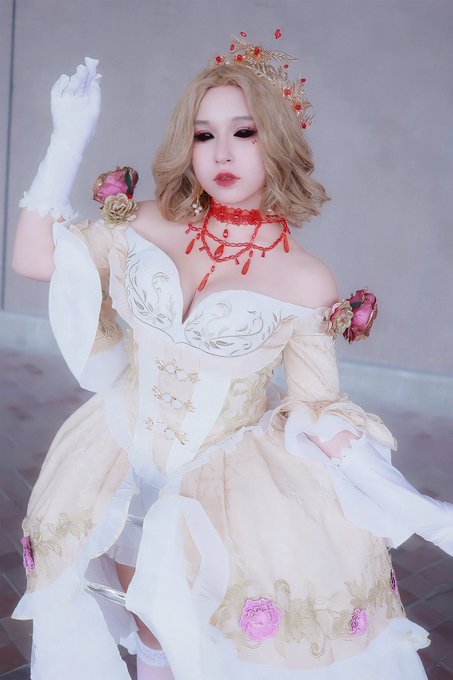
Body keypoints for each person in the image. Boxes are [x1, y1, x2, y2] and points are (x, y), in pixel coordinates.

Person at [11, 34, 453, 680]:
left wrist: (417, 507)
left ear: (277, 141)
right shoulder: (144, 223)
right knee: (148, 639)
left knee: (195, 646)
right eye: (204, 134)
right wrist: (67, 138)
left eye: (243, 132)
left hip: (218, 496)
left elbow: (317, 409)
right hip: (119, 464)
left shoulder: (306, 280)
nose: (221, 153)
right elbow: (33, 258)